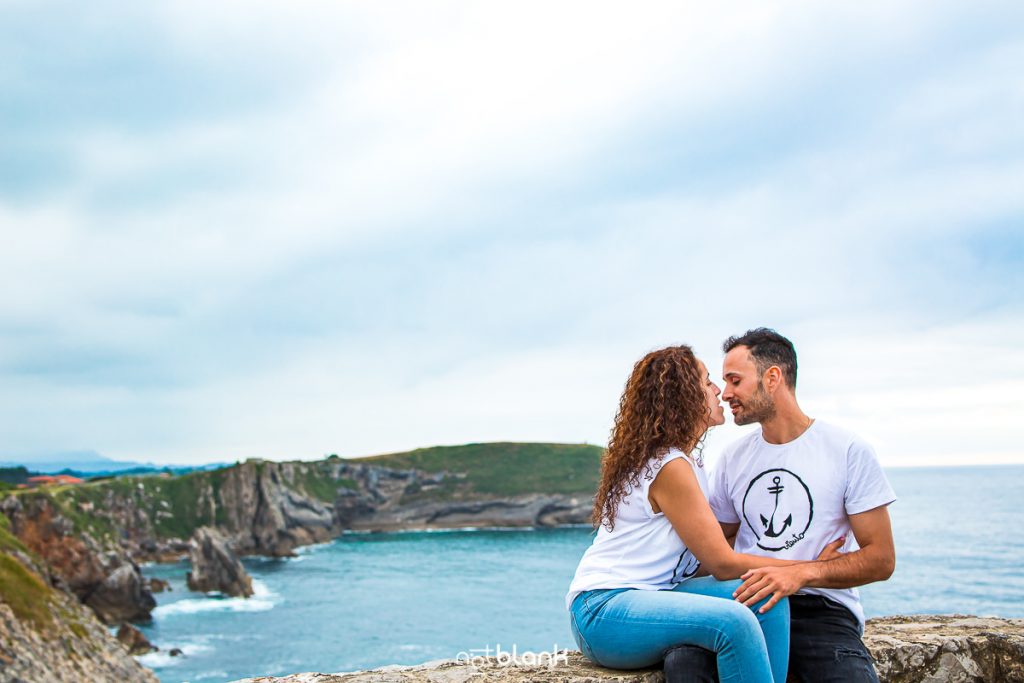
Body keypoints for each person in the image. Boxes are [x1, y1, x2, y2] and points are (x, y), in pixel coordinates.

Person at [567, 345, 842, 683]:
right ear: (683, 397)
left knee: (765, 597)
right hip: (603, 610)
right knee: (735, 623)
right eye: (707, 382)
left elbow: (697, 561)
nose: (718, 391)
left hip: (652, 595)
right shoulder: (669, 467)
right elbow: (722, 564)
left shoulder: (690, 463)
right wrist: (813, 568)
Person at [663, 328, 896, 683]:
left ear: (773, 378)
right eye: (723, 382)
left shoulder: (847, 450)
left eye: (735, 381)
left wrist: (803, 573)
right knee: (684, 663)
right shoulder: (732, 458)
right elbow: (712, 548)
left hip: (820, 611)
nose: (725, 394)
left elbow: (881, 559)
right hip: (745, 605)